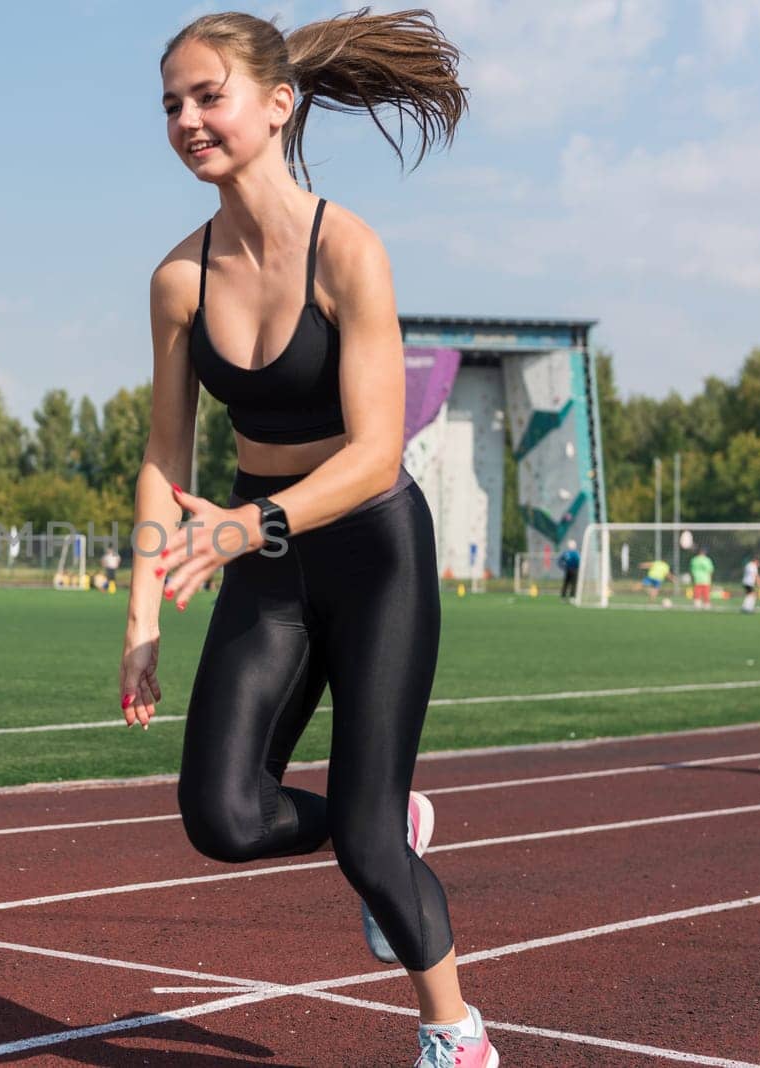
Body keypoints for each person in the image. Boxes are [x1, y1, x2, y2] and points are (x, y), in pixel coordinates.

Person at [117, 13, 495, 1067]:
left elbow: (378, 454)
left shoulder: (348, 249)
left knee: (369, 844)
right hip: (264, 554)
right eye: (169, 105)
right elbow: (164, 453)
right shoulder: (177, 281)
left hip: (371, 550)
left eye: (206, 97)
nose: (186, 120)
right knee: (222, 816)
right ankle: (385, 830)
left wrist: (250, 525)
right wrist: (141, 614)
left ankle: (452, 1033)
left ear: (276, 104)